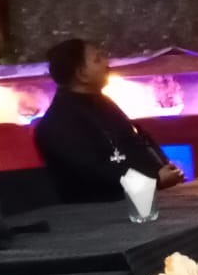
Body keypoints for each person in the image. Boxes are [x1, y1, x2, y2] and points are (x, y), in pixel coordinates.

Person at [34, 39, 184, 203]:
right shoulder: (59, 123)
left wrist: (163, 170)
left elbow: (134, 143)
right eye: (97, 59)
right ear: (81, 74)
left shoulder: (102, 102)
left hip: (142, 199)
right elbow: (96, 173)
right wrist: (155, 180)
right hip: (99, 212)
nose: (107, 63)